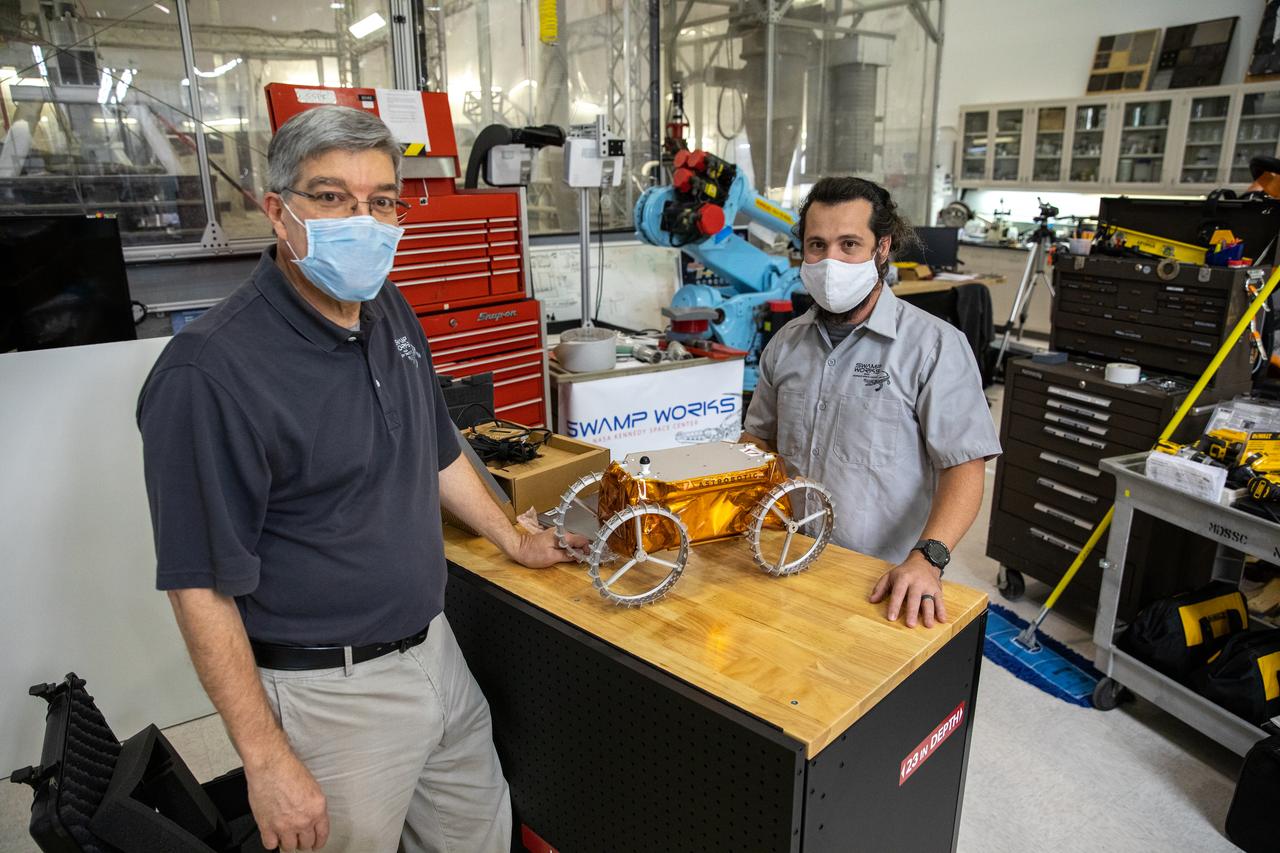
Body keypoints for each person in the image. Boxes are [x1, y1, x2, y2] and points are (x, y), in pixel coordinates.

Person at [137, 105, 582, 853]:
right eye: (332, 196)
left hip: (435, 651)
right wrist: (265, 757)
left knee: (479, 834)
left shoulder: (387, 308)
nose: (364, 221)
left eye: (381, 201)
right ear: (278, 210)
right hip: (328, 695)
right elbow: (199, 586)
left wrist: (513, 537)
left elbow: (436, 448)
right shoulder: (208, 373)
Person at [742, 177, 1001, 630]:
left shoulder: (934, 346)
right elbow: (758, 441)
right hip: (785, 555)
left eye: (849, 244)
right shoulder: (786, 344)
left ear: (882, 249)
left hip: (884, 580)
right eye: (817, 245)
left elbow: (963, 466)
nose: (830, 262)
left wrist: (928, 559)